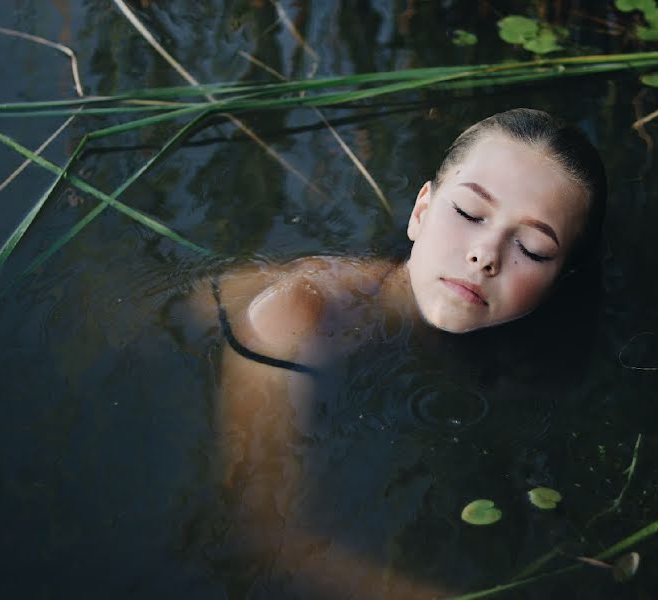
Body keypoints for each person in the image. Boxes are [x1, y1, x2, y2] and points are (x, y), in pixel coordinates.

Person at [181, 107, 607, 598]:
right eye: (468, 213)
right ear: (421, 211)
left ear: (560, 281)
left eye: (532, 249)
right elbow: (262, 538)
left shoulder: (532, 361)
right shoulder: (297, 314)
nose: (485, 254)